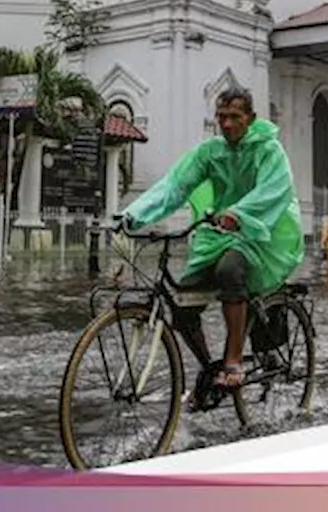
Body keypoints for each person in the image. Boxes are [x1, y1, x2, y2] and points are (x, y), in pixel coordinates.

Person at [115, 87, 304, 390]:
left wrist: (238, 214)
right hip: (219, 231)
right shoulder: (210, 152)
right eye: (221, 117)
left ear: (251, 118)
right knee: (182, 302)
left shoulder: (268, 150)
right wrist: (132, 214)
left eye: (235, 117)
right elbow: (175, 185)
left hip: (263, 232)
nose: (227, 124)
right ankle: (209, 370)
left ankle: (233, 359)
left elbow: (273, 190)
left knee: (229, 271)